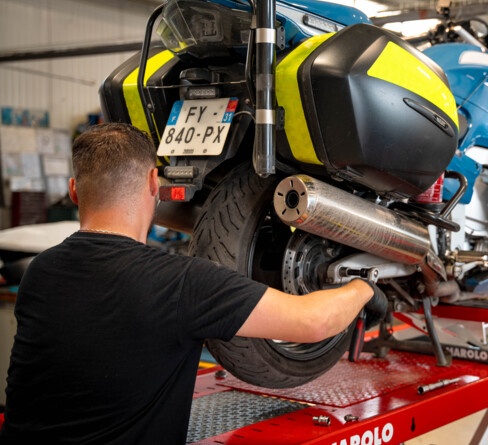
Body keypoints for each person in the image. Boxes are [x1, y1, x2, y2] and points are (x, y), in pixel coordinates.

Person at [0, 123, 386, 444]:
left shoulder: (41, 272)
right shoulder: (179, 283)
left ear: (73, 190)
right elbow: (311, 323)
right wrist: (364, 286)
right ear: (155, 183)